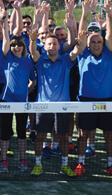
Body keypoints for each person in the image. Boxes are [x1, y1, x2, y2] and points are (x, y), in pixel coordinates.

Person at [74, 0, 112, 179]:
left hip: (108, 100)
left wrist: (109, 13)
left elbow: (109, 34)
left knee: (110, 134)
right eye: (92, 42)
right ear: (87, 44)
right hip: (85, 100)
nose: (95, 44)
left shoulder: (108, 54)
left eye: (98, 42)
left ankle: (111, 165)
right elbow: (81, 34)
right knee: (83, 134)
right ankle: (80, 162)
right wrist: (84, 13)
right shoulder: (82, 54)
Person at [30, 27, 82, 178]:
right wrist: (33, 40)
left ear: (59, 46)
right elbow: (33, 52)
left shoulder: (65, 60)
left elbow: (76, 50)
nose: (52, 46)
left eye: (54, 44)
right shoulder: (40, 61)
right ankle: (38, 164)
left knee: (64, 137)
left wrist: (81, 40)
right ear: (44, 46)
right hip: (43, 106)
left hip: (62, 107)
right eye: (49, 44)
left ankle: (65, 165)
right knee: (40, 137)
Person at [0, 6, 33, 173]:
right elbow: (5, 38)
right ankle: (3, 161)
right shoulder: (7, 58)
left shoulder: (28, 61)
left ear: (24, 47)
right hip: (6, 101)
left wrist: (26, 91)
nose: (16, 47)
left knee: (22, 134)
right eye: (14, 45)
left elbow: (33, 80)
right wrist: (4, 20)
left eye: (19, 45)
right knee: (5, 132)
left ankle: (22, 160)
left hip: (22, 103)